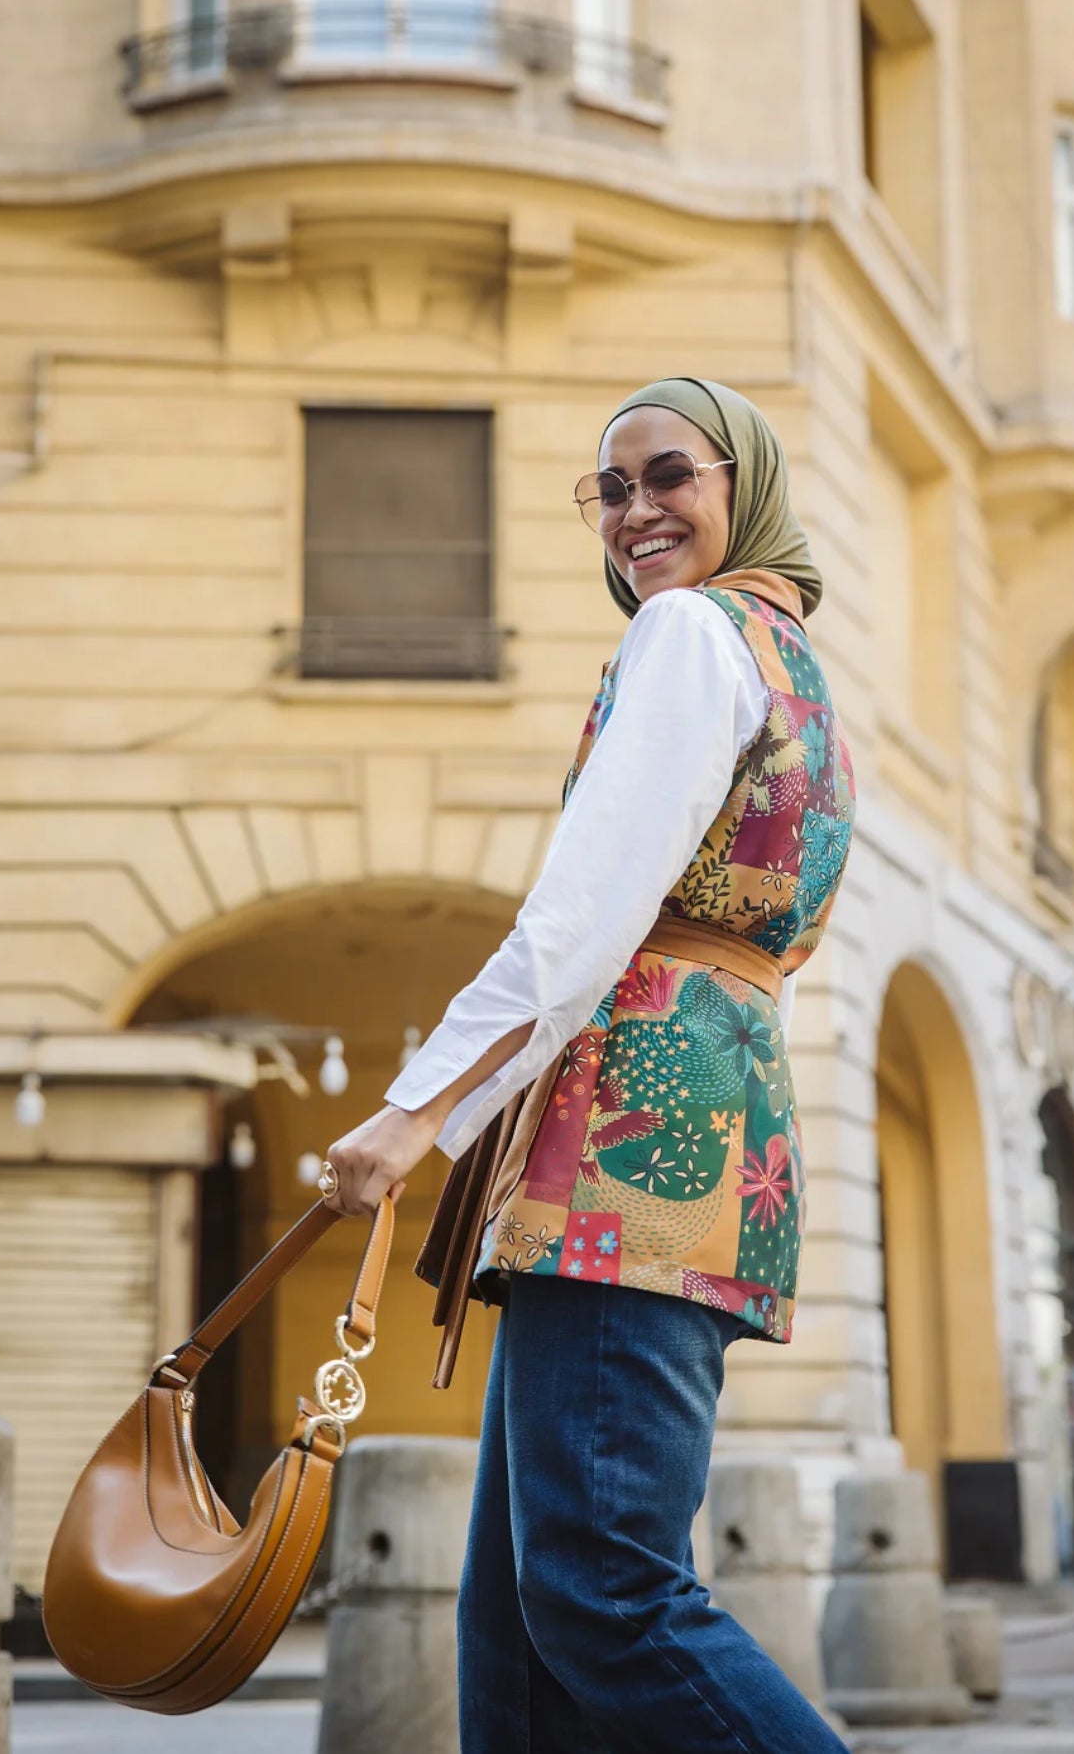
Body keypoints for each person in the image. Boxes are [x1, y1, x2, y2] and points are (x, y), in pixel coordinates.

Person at [319, 378, 856, 1754]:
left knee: (601, 1590)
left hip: (630, 1147)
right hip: (696, 1133)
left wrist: (414, 1110)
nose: (633, 512)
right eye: (609, 491)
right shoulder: (796, 665)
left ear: (744, 484)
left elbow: (584, 916)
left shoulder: (690, 632)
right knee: (515, 1627)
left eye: (668, 475)